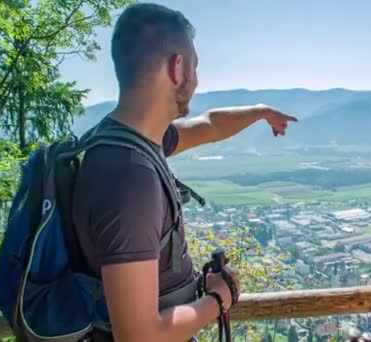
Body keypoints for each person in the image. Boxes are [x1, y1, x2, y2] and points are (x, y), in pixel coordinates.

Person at [71, 3, 297, 342]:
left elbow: (209, 124)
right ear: (178, 68)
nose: (195, 78)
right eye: (194, 65)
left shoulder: (127, 142)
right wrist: (219, 297)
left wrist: (261, 112)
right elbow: (139, 336)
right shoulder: (129, 175)